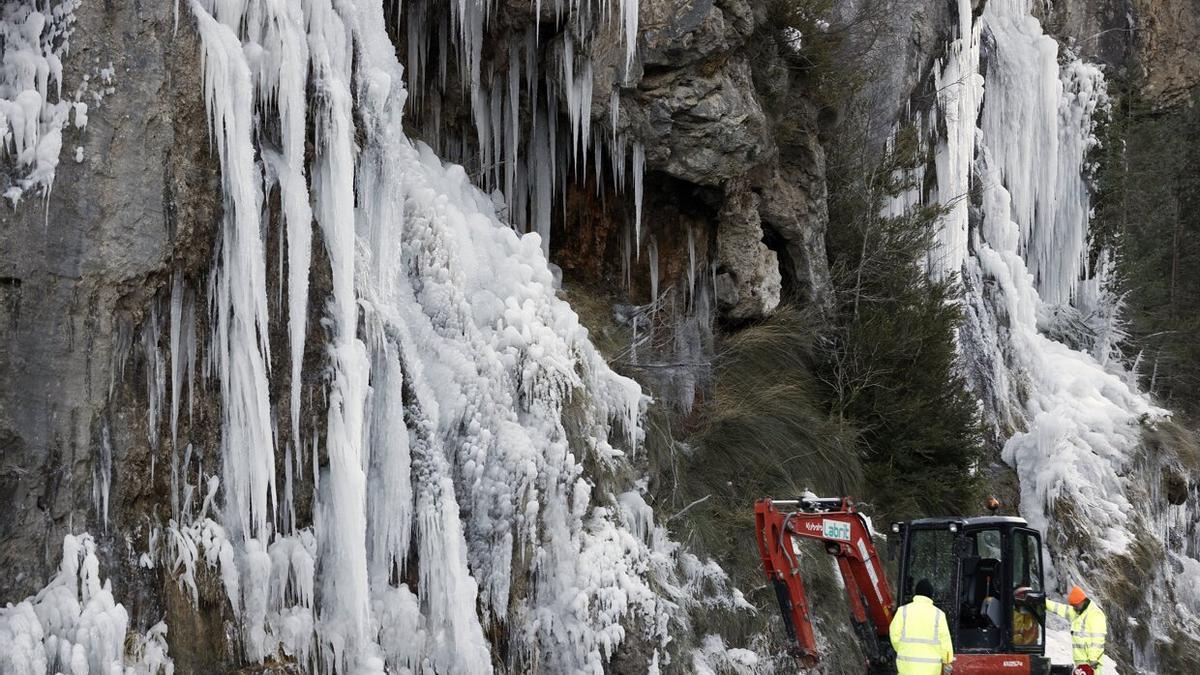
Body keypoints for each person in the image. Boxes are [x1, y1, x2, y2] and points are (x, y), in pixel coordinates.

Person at [890, 579, 954, 675]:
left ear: (916, 593)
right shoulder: (939, 614)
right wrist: (947, 661)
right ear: (931, 595)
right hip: (931, 670)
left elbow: (894, 635)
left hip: (907, 668)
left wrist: (904, 648)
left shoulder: (902, 611)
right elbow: (945, 642)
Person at [1047, 585, 1107, 674]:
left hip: (1091, 663)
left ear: (1082, 601)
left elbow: (1097, 640)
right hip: (1081, 662)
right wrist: (1044, 603)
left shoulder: (1095, 614)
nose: (1074, 608)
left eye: (1075, 605)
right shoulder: (1078, 612)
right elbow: (1060, 608)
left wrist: (1093, 659)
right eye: (1072, 606)